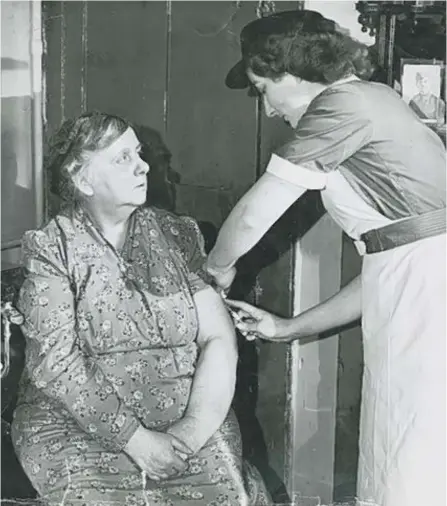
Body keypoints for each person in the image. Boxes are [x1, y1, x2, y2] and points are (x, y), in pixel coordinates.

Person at [204, 10, 446, 506]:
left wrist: (213, 272)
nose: (267, 109)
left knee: (417, 455)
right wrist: (288, 327)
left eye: (263, 88)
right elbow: (385, 269)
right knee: (402, 447)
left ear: (291, 74)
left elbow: (254, 215)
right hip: (412, 290)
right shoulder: (371, 99)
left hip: (427, 298)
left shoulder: (342, 107)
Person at [11, 112, 271, 506]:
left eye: (139, 153)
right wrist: (135, 439)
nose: (144, 165)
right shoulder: (53, 250)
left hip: (187, 417)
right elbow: (56, 363)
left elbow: (218, 336)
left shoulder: (176, 234)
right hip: (76, 425)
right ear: (82, 180)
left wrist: (190, 433)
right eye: (122, 158)